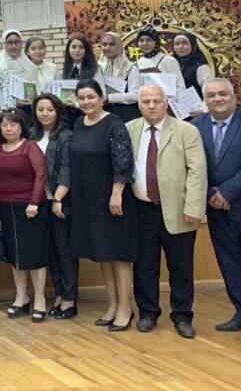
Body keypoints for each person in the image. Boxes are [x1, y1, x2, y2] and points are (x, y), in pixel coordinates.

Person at [127, 84, 207, 338]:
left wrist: (193, 207)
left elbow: (197, 171)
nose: (151, 106)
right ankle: (148, 313)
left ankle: (182, 316)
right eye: (146, 102)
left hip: (179, 210)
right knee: (144, 267)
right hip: (141, 210)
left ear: (166, 103)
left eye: (156, 101)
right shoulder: (129, 129)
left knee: (181, 267)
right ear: (139, 105)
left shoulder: (186, 130)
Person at [62, 79, 137, 331]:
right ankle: (112, 304)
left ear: (102, 98)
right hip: (88, 199)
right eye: (82, 98)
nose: (86, 102)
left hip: (112, 198)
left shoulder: (114, 123)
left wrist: (116, 193)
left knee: (119, 254)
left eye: (91, 97)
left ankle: (125, 307)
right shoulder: (78, 124)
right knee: (103, 254)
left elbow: (123, 161)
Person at [193, 78, 241, 331]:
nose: (217, 99)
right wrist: (211, 194)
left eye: (222, 94)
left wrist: (226, 193)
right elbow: (191, 166)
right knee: (231, 265)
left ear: (233, 97)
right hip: (217, 211)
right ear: (205, 100)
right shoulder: (195, 127)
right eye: (211, 95)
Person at [0, 108, 49, 322]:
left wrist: (34, 202)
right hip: (6, 206)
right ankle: (21, 297)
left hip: (30, 208)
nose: (9, 128)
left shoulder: (30, 146)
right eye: (5, 125)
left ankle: (40, 299)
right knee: (15, 254)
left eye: (13, 124)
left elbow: (41, 175)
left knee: (34, 255)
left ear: (21, 127)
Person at [30, 93, 77, 319]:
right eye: (40, 109)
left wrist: (58, 198)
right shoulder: (32, 135)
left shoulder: (66, 135)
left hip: (60, 200)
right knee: (50, 251)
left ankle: (69, 299)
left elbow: (67, 168)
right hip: (39, 202)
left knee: (64, 251)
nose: (45, 114)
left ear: (57, 112)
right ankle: (59, 294)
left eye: (50, 109)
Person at [98, 32, 142, 124]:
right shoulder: (98, 67)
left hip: (127, 116)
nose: (107, 48)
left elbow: (136, 95)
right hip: (104, 116)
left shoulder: (130, 67)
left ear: (119, 46)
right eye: (104, 44)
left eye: (112, 44)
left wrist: (110, 98)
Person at [61, 34, 105, 124]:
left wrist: (77, 104)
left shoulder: (95, 69)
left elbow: (102, 95)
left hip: (89, 115)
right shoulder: (68, 69)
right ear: (68, 50)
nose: (77, 50)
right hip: (69, 116)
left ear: (86, 50)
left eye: (81, 47)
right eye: (73, 47)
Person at [134, 25, 185, 95]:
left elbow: (181, 88)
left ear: (156, 41)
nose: (145, 44)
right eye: (141, 40)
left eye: (149, 40)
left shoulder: (168, 61)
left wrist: (161, 96)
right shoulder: (137, 64)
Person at [172, 32, 213, 117]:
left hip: (196, 114)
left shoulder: (201, 66)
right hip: (176, 113)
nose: (180, 47)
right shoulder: (172, 64)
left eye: (184, 43)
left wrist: (203, 110)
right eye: (177, 44)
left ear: (193, 44)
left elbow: (211, 90)